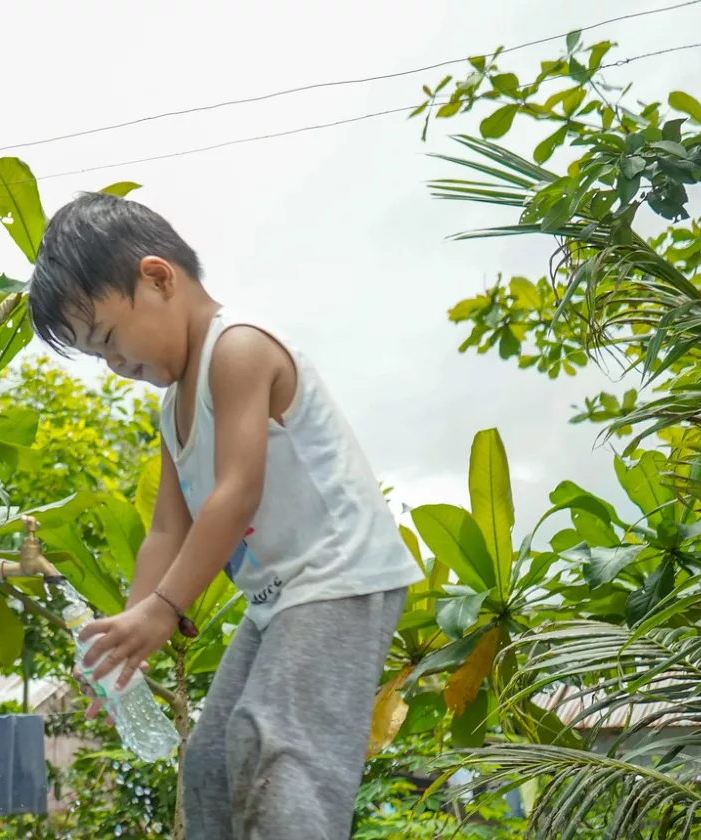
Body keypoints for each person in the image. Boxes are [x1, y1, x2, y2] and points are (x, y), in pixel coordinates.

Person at [27, 193, 423, 840]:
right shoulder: (171, 410)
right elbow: (167, 530)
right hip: (281, 597)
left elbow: (235, 494)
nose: (114, 364)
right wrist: (129, 630)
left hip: (341, 574)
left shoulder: (238, 349)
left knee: (276, 746)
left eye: (106, 337)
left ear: (158, 278)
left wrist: (162, 609)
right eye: (95, 356)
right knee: (210, 763)